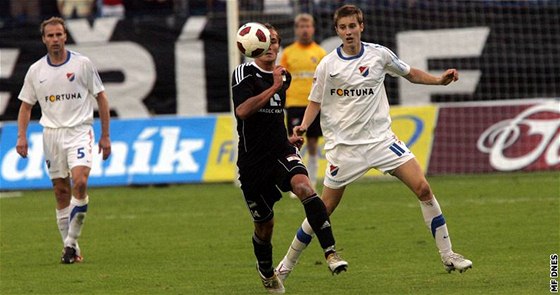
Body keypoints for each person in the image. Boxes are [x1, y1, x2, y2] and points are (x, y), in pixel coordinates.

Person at [276, 4, 472, 281]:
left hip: (381, 141)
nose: (348, 32)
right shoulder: (328, 65)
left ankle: (449, 255)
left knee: (423, 187)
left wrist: (439, 81)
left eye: (352, 26)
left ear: (361, 26)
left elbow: (410, 73)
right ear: (337, 31)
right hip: (346, 148)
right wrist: (304, 126)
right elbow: (315, 101)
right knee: (324, 209)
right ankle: (284, 266)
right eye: (343, 28)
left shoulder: (379, 55)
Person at [231, 23, 347, 293]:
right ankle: (266, 270)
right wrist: (273, 86)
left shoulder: (285, 76)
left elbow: (274, 119)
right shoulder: (244, 73)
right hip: (253, 162)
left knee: (306, 188)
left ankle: (331, 253)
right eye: (267, 41)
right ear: (254, 46)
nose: (272, 46)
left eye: (275, 41)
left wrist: (287, 140)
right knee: (265, 225)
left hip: (281, 152)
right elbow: (243, 111)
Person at [16, 17, 111, 264]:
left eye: (59, 35)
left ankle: (69, 243)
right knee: (61, 191)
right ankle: (72, 247)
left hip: (80, 131)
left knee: (79, 182)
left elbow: (101, 98)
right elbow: (26, 106)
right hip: (52, 135)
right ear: (44, 39)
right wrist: (21, 136)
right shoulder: (36, 71)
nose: (55, 40)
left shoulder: (82, 64)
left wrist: (105, 136)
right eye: (50, 36)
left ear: (65, 36)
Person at [280, 13, 326, 194]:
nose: (305, 30)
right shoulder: (288, 53)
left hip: (313, 105)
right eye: (301, 27)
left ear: (313, 29)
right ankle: (294, 181)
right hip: (294, 104)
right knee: (294, 143)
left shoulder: (320, 53)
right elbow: (281, 79)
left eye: (308, 27)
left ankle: (312, 181)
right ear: (296, 29)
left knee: (313, 143)